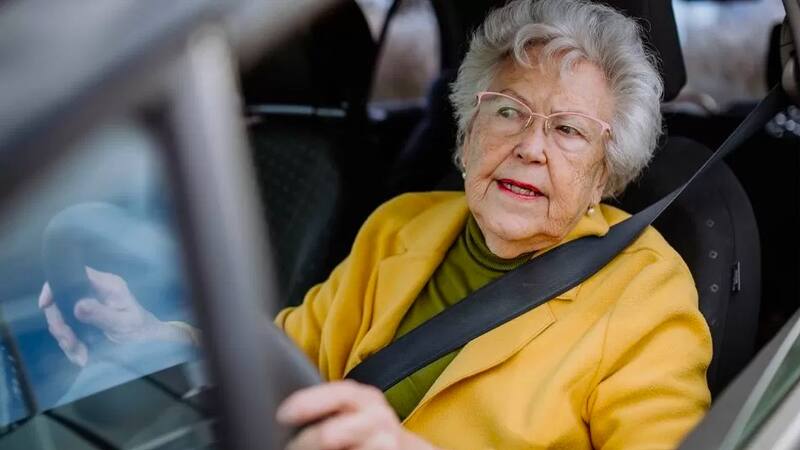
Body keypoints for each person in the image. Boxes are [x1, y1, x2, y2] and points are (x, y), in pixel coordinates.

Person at [41, 0, 712, 448]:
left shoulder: (647, 292)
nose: (529, 147)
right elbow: (286, 359)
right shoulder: (402, 225)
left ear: (607, 171)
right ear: (469, 128)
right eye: (507, 110)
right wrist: (160, 339)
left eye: (568, 130)